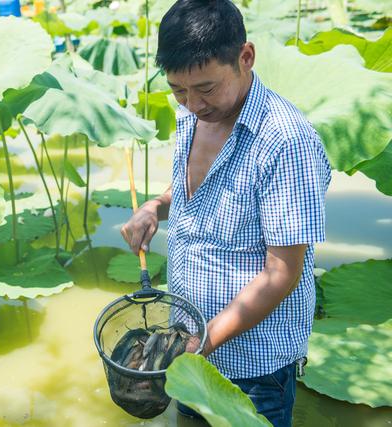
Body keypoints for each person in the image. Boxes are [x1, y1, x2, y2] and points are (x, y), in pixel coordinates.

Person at [119, 0, 332, 426]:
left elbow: (281, 274)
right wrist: (155, 207)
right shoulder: (193, 114)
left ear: (245, 57)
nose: (192, 103)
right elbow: (195, 189)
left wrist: (202, 342)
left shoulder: (285, 143)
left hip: (252, 366)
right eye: (179, 90)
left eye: (206, 88)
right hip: (189, 348)